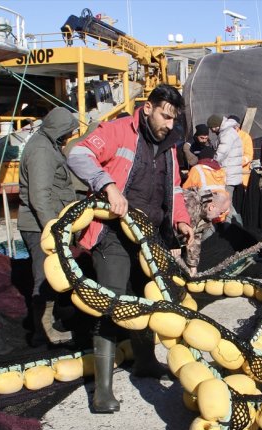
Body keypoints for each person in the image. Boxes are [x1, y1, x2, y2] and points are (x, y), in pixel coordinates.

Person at [67, 84, 194, 413]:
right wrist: (106, 185)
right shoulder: (117, 131)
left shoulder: (169, 145)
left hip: (149, 237)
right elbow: (78, 154)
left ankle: (146, 362)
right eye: (165, 116)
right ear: (148, 108)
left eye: (173, 118)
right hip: (112, 233)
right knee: (112, 302)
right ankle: (102, 391)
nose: (169, 123)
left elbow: (175, 188)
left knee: (145, 298)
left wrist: (181, 220)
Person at [17, 106, 79, 345]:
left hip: (46, 223)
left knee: (54, 273)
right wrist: (53, 229)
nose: (70, 136)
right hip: (40, 226)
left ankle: (53, 315)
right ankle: (42, 332)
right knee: (44, 277)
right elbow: (39, 196)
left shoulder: (47, 143)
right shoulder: (42, 150)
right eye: (69, 131)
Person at [181, 189, 231, 276]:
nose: (220, 216)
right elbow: (169, 220)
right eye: (221, 213)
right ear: (212, 207)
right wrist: (172, 243)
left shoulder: (206, 218)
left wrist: (193, 266)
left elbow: (195, 239)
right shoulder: (190, 203)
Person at [207, 114, 244, 221]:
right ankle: (233, 225)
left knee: (226, 203)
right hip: (231, 173)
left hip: (228, 175)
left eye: (211, 128)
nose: (211, 130)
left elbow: (221, 153)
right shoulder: (228, 132)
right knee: (227, 202)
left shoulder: (226, 134)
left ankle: (235, 226)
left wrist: (211, 163)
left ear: (215, 126)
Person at [228, 114, 254, 189]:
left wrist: (235, 163)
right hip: (227, 175)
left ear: (237, 126)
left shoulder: (245, 137)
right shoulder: (224, 136)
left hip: (241, 175)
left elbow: (249, 156)